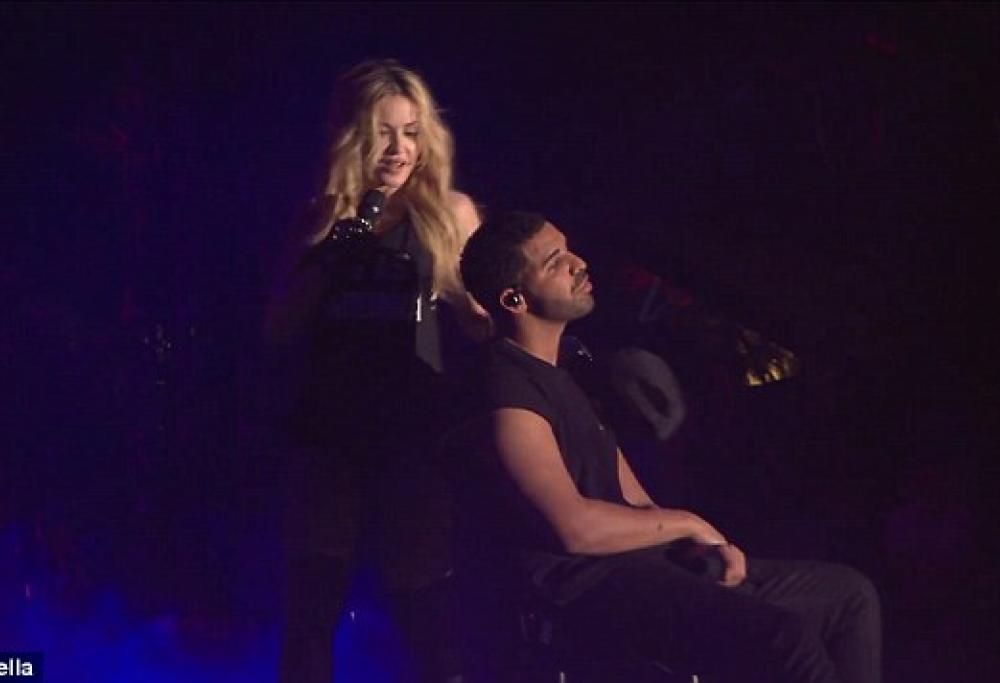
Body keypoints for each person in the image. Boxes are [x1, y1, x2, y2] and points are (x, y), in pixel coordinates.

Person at [455, 211, 882, 683]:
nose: (579, 263)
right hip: (587, 588)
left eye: (570, 249)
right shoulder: (505, 385)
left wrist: (708, 545)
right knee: (783, 636)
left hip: (641, 566)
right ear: (514, 299)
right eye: (556, 261)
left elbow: (637, 502)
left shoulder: (567, 375)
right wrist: (689, 523)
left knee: (847, 597)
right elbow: (573, 528)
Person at [263, 59, 485, 683]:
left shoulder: (448, 212)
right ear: (352, 136)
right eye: (382, 133)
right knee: (312, 610)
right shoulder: (321, 215)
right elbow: (279, 327)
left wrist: (491, 307)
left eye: (410, 132)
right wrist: (333, 251)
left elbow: (479, 322)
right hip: (330, 434)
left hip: (415, 436)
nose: (398, 149)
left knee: (426, 609)